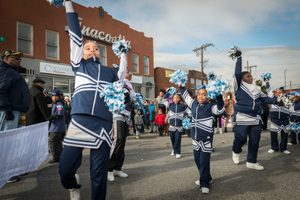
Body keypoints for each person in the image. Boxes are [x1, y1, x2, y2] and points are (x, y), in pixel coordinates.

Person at [58, 1, 119, 200]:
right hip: (80, 121)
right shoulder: (79, 65)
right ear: (81, 53)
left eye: (95, 48)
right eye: (87, 48)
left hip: (103, 124)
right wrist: (68, 4)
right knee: (65, 169)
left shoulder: (111, 72)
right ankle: (72, 185)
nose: (92, 50)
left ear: (100, 53)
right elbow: (75, 35)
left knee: (98, 174)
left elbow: (120, 93)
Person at [231, 50, 280, 171]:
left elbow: (266, 98)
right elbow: (237, 73)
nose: (251, 78)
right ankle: (236, 150)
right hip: (242, 115)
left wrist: (278, 101)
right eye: (248, 76)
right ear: (242, 79)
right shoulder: (239, 86)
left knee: (254, 140)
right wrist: (239, 58)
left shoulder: (257, 89)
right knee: (241, 139)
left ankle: (251, 161)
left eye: (251, 76)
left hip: (255, 117)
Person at [179, 85, 224, 194]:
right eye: (199, 94)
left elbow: (220, 109)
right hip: (195, 139)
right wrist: (181, 84)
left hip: (206, 139)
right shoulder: (193, 104)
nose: (201, 96)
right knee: (197, 160)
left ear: (209, 97)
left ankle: (204, 183)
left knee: (204, 162)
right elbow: (186, 96)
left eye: (204, 94)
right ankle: (207, 177)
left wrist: (219, 96)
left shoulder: (211, 106)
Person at [0, 49, 30, 183]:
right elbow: (1, 91)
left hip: (15, 111)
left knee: (14, 143)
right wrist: (7, 110)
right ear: (6, 58)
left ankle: (12, 169)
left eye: (20, 58)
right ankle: (6, 173)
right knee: (7, 144)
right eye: (16, 58)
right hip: (9, 112)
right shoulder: (5, 70)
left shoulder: (12, 72)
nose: (19, 60)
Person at [108, 51, 134, 182]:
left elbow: (131, 100)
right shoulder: (119, 80)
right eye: (129, 71)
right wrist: (123, 54)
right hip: (117, 115)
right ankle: (109, 169)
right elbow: (122, 68)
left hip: (126, 116)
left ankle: (118, 168)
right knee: (117, 140)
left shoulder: (129, 85)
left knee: (122, 142)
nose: (130, 73)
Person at [163, 90, 191, 159]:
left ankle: (178, 152)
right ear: (172, 99)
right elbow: (163, 101)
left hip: (179, 126)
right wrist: (168, 94)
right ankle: (174, 149)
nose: (176, 99)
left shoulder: (183, 106)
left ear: (180, 99)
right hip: (172, 125)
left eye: (177, 97)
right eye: (174, 98)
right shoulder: (170, 104)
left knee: (178, 139)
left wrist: (189, 119)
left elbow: (189, 112)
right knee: (172, 139)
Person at [265, 83, 291, 154]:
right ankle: (274, 147)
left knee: (284, 134)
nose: (278, 94)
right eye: (276, 92)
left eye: (280, 92)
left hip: (285, 119)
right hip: (275, 120)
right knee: (273, 134)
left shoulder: (287, 100)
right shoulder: (273, 99)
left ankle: (283, 148)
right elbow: (269, 91)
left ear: (284, 93)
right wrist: (267, 82)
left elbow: (291, 109)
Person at [48, 89, 65, 163]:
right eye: (53, 96)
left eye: (56, 96)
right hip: (55, 127)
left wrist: (52, 117)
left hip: (57, 127)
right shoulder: (54, 104)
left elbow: (60, 114)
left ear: (59, 96)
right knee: (57, 142)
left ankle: (56, 157)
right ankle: (60, 155)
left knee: (53, 141)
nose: (54, 97)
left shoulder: (59, 104)